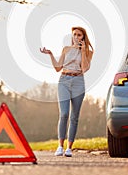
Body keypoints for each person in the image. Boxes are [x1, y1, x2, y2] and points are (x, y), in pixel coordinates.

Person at [40, 26, 93, 157]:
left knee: (74, 116)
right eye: (74, 34)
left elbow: (84, 68)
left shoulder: (88, 52)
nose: (76, 37)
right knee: (64, 114)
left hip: (78, 82)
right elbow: (58, 68)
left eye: (79, 35)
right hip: (63, 80)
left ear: (83, 37)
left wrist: (82, 51)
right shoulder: (66, 49)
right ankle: (60, 146)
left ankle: (69, 148)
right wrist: (51, 54)